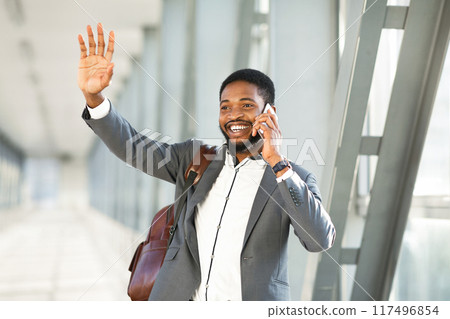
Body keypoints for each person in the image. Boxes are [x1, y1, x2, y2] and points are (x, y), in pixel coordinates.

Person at [78, 23, 335, 301]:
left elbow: (318, 240)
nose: (233, 115)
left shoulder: (292, 178)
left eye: (247, 105)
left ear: (269, 112)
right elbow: (133, 147)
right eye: (225, 107)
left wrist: (278, 163)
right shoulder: (195, 159)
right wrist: (94, 97)